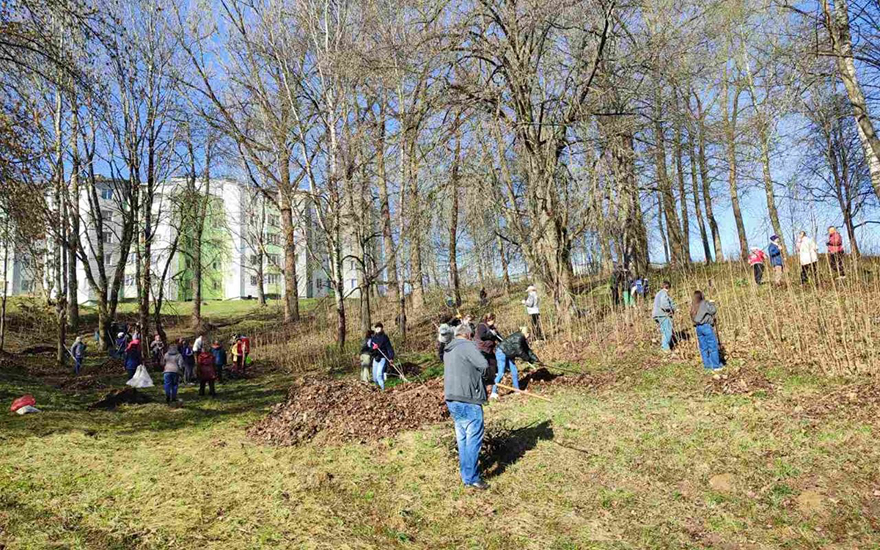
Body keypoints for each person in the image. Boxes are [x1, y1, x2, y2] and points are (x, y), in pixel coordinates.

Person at [442, 323, 489, 490]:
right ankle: (472, 477)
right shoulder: (467, 346)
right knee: (473, 438)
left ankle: (466, 475)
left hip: (452, 398)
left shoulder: (449, 349)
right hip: (468, 398)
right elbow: (484, 366)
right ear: (468, 335)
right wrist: (482, 377)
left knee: (462, 438)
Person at [491, 326, 539, 399]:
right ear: (526, 333)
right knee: (501, 373)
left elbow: (528, 350)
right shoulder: (518, 338)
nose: (529, 336)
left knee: (514, 372)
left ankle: (517, 390)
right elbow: (520, 352)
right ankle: (493, 392)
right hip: (501, 352)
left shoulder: (522, 338)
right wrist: (529, 359)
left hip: (509, 353)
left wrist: (536, 360)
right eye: (529, 334)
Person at [690, 290, 722, 371]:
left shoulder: (693, 305)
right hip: (706, 327)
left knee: (703, 348)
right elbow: (713, 311)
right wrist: (711, 303)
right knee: (713, 346)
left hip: (698, 328)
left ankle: (707, 365)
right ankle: (716, 366)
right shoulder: (704, 303)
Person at [475, 314, 503, 386]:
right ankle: (483, 381)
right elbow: (482, 336)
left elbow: (498, 337)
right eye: (493, 320)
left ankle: (491, 381)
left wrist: (504, 342)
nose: (494, 321)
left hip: (489, 349)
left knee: (493, 363)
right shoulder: (482, 326)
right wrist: (491, 334)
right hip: (482, 349)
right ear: (489, 319)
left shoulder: (492, 327)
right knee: (484, 365)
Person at [369, 322, 394, 390]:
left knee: (379, 375)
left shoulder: (385, 337)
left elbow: (389, 348)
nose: (377, 329)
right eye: (376, 328)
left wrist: (391, 358)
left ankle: (383, 390)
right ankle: (378, 389)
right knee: (375, 378)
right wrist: (373, 348)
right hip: (375, 358)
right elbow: (370, 349)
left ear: (382, 328)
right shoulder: (373, 338)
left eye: (379, 327)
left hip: (383, 358)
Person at [652, 281, 675, 352]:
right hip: (663, 315)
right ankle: (665, 348)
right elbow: (664, 304)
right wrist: (671, 309)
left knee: (664, 331)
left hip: (657, 314)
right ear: (668, 287)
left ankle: (664, 346)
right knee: (668, 331)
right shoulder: (664, 293)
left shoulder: (658, 293)